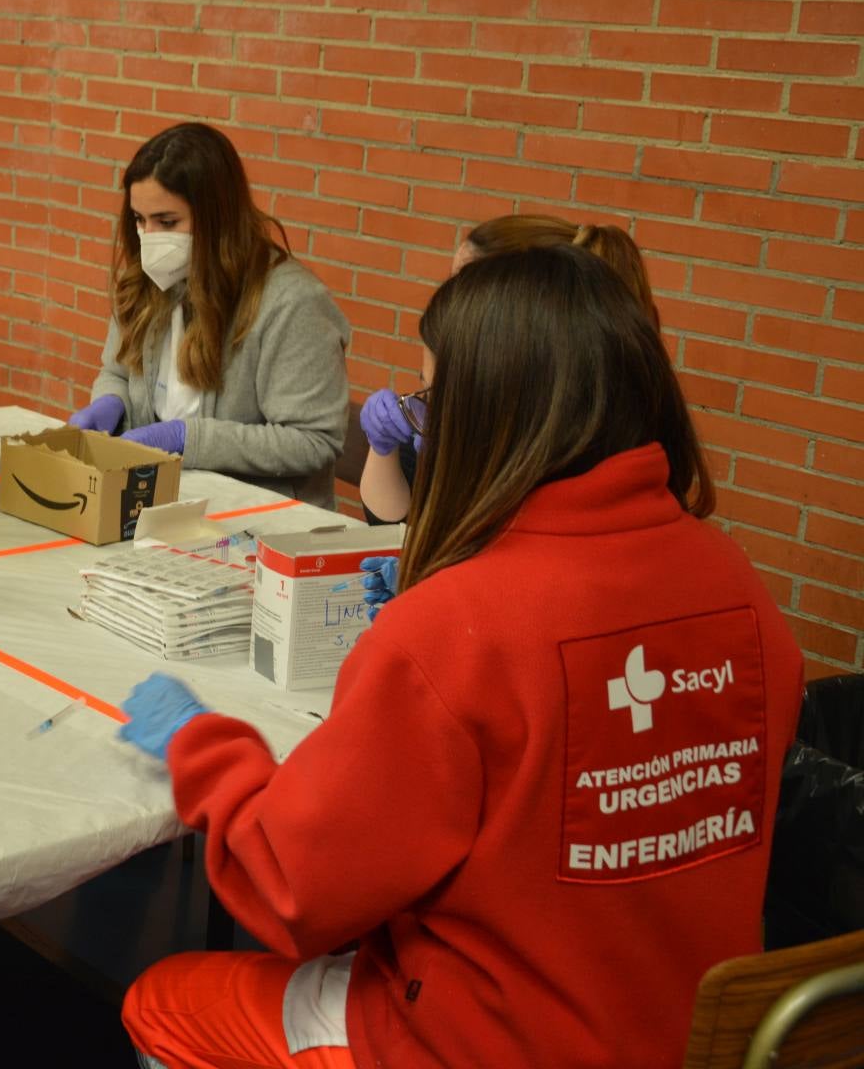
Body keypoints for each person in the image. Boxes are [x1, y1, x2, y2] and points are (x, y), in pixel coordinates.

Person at [116, 243, 803, 1069]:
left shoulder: (455, 628)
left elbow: (294, 889)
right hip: (688, 1031)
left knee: (161, 1000)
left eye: (431, 397)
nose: (420, 421)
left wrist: (204, 748)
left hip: (488, 1043)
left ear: (490, 411)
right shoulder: (735, 580)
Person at [69, 123, 350, 509]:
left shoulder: (293, 302)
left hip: (257, 522)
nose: (149, 237)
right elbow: (116, 373)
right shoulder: (146, 280)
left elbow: (314, 441)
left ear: (218, 217)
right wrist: (111, 403)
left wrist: (189, 439)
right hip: (161, 503)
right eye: (139, 220)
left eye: (167, 222)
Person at [358, 215, 657, 526]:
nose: (451, 300)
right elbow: (396, 522)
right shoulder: (466, 373)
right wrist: (384, 450)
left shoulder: (575, 441)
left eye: (466, 285)